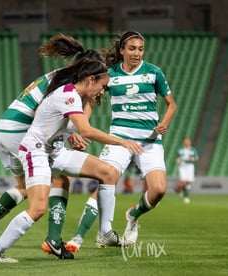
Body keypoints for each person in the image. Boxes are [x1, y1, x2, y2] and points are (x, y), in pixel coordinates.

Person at [0, 55, 143, 263]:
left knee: (108, 172)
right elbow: (85, 130)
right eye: (102, 86)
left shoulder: (72, 95)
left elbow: (73, 125)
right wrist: (122, 142)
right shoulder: (68, 95)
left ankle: (104, 232)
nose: (103, 91)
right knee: (38, 208)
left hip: (54, 152)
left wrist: (73, 128)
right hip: (36, 152)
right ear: (91, 79)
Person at [0, 33, 101, 252]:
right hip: (22, 131)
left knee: (24, 187)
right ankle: (54, 240)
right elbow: (44, 113)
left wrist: (68, 133)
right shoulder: (68, 84)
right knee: (60, 179)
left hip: (4, 128)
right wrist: (79, 122)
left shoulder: (58, 75)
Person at [66, 30, 177, 253]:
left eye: (140, 49)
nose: (137, 53)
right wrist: (82, 126)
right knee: (105, 182)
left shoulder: (154, 73)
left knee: (159, 190)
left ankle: (133, 215)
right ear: (122, 51)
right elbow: (91, 98)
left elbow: (171, 105)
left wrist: (163, 123)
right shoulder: (110, 74)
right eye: (132, 48)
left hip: (149, 141)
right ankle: (77, 238)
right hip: (119, 139)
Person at [176, 136, 199, 204]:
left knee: (188, 182)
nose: (187, 142)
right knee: (184, 181)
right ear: (184, 142)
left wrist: (192, 159)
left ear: (190, 142)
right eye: (185, 140)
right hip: (182, 166)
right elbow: (177, 157)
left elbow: (197, 158)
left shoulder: (193, 150)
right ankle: (186, 197)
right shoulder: (180, 149)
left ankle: (182, 190)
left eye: (188, 140)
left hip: (190, 166)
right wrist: (178, 160)